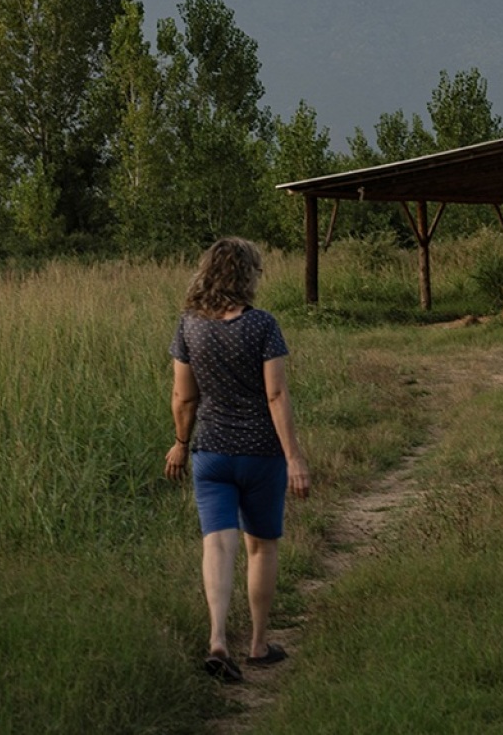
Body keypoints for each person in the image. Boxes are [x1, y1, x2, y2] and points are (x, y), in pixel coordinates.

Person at [163, 237, 311, 682]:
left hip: (210, 452)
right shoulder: (263, 325)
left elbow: (183, 397)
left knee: (217, 543)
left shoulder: (189, 326)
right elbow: (276, 393)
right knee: (261, 545)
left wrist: (180, 443)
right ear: (247, 275)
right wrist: (295, 457)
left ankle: (217, 639)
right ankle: (259, 645)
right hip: (261, 455)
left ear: (206, 272)